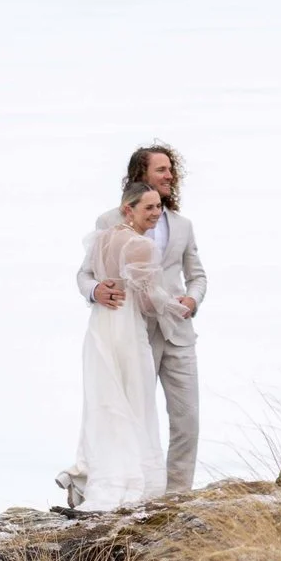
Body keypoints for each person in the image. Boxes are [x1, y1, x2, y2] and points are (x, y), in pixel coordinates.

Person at [71, 141, 207, 500]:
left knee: (187, 418)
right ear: (141, 174)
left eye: (171, 169)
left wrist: (193, 299)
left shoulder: (183, 225)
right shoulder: (108, 222)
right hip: (133, 333)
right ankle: (134, 489)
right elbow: (84, 274)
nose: (170, 175)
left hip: (177, 332)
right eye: (161, 169)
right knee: (129, 415)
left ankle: (177, 497)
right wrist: (95, 290)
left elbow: (198, 275)